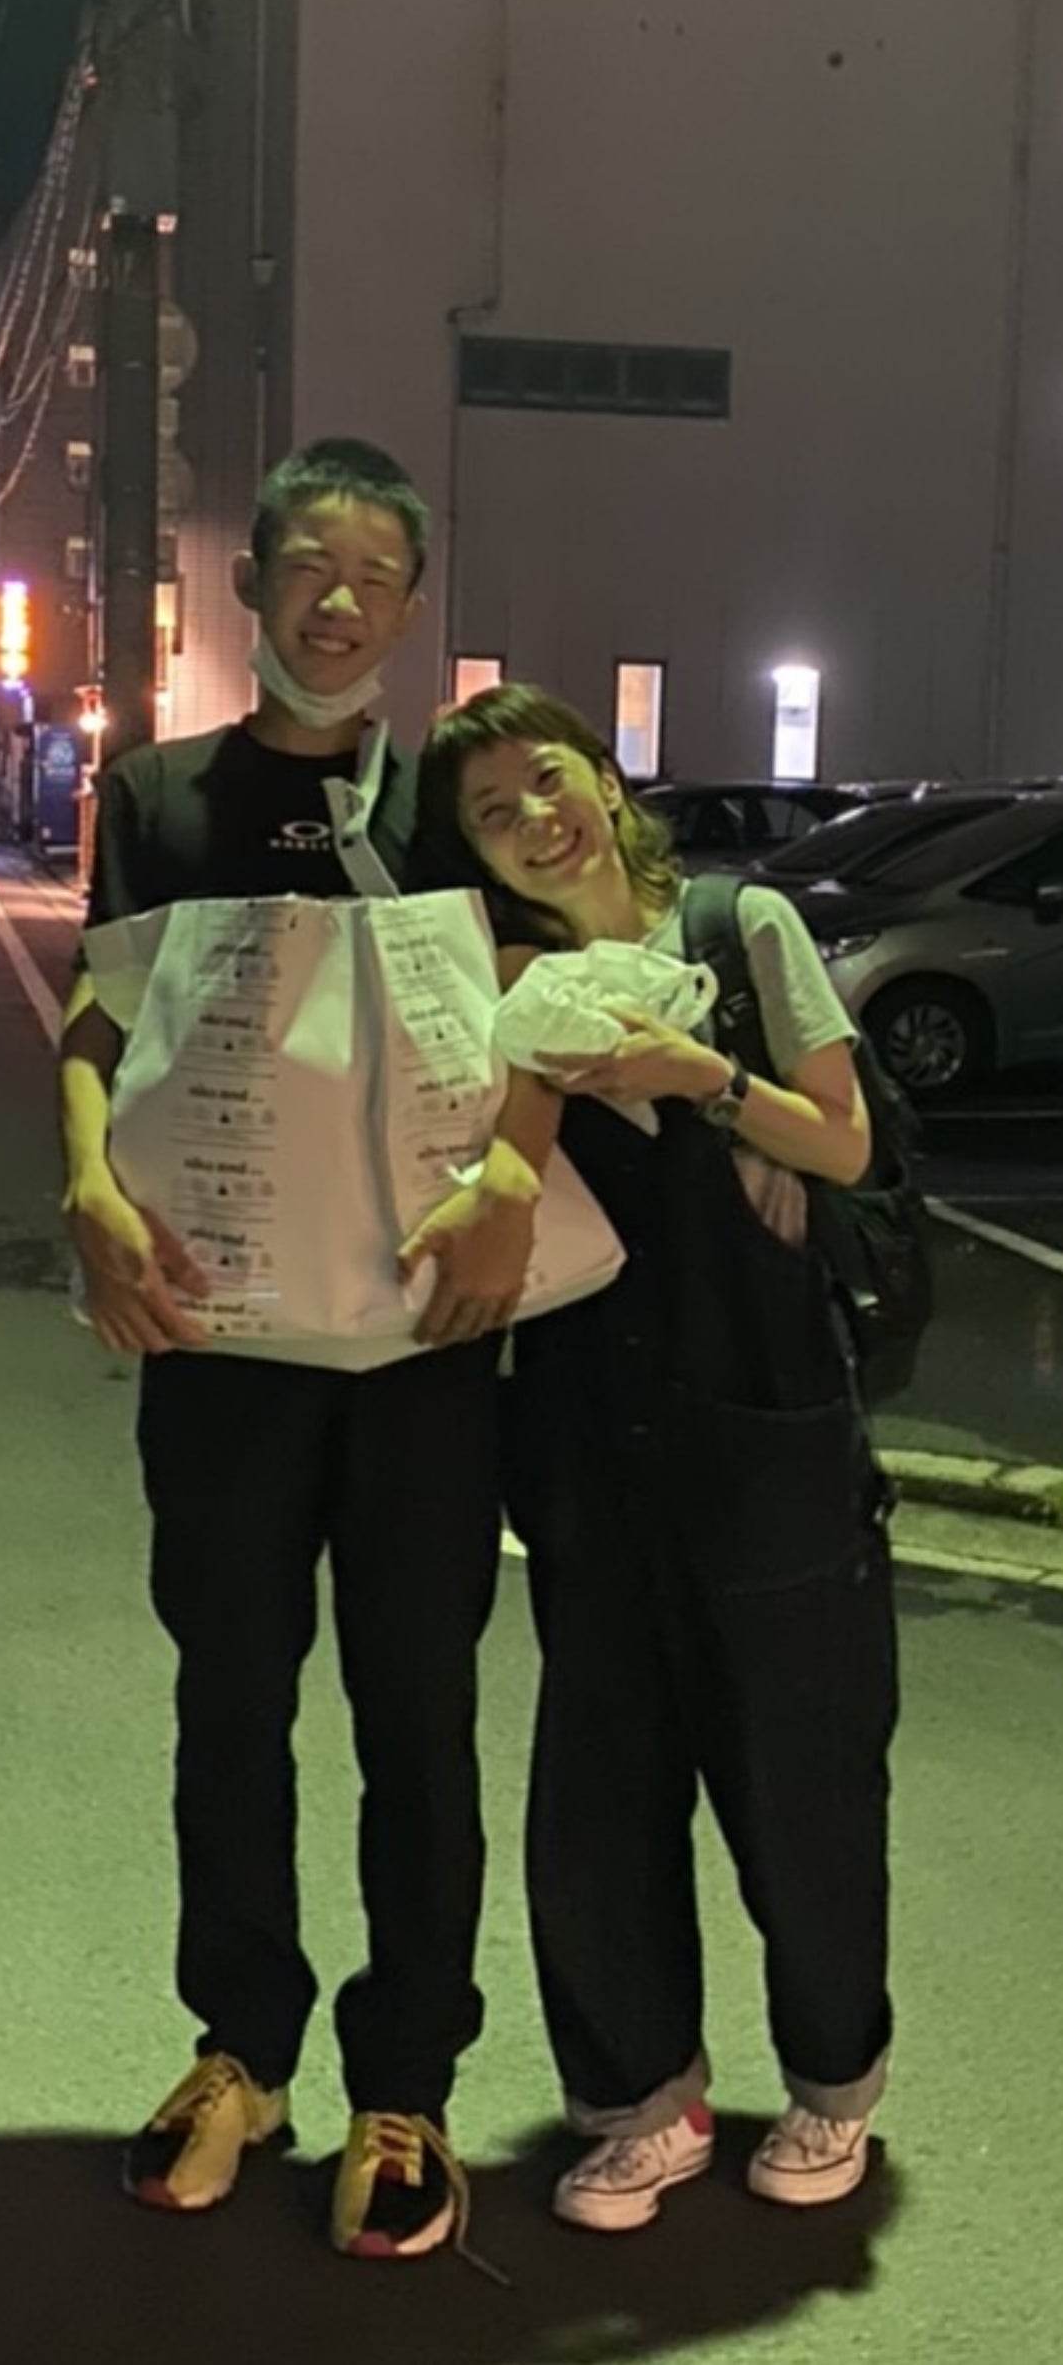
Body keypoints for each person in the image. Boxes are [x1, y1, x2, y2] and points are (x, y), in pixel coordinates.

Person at [59, 439, 545, 2261]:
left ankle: (403, 2082)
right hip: (225, 1338)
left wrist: (510, 1175)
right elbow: (101, 1019)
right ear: (252, 578)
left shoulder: (450, 809)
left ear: (411, 605)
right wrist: (86, 1190)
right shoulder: (160, 793)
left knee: (419, 1719)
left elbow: (551, 1017)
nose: (339, 601)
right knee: (230, 1703)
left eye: (376, 574)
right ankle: (241, 2051)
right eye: (310, 565)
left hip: (427, 1345)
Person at [411, 683, 900, 2229]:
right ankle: (644, 2102)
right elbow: (484, 1176)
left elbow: (842, 1142)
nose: (531, 820)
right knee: (598, 1793)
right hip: (584, 1437)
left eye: (546, 779)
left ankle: (831, 2087)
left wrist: (700, 1080)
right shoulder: (506, 993)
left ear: (603, 782)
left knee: (800, 1784)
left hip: (766, 1428)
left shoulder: (740, 926)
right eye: (491, 813)